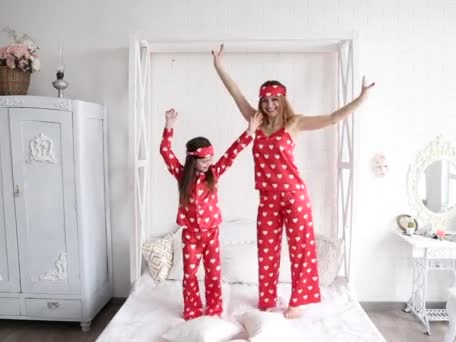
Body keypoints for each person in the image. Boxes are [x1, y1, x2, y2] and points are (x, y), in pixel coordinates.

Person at [211, 44, 375, 319]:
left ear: (283, 100)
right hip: (267, 198)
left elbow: (333, 118)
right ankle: (267, 300)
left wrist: (362, 98)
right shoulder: (257, 122)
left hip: (294, 195)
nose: (270, 105)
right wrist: (219, 67)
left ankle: (297, 301)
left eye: (275, 100)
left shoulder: (294, 123)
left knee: (300, 249)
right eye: (265, 100)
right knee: (267, 250)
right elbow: (236, 93)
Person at [160, 107, 262, 320]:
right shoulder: (181, 175)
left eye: (210, 159)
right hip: (190, 235)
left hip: (212, 234)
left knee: (214, 274)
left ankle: (214, 309)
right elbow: (165, 152)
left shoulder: (213, 174)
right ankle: (192, 309)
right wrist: (169, 126)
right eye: (204, 160)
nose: (209, 163)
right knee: (189, 275)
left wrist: (249, 132)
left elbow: (231, 154)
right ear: (193, 159)